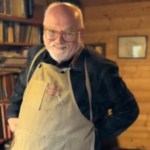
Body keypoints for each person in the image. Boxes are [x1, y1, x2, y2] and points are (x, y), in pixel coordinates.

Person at [7, 2, 139, 150]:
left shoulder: (99, 68)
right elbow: (20, 90)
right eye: (52, 31)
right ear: (44, 31)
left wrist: (95, 137)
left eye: (68, 33)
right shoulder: (36, 56)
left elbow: (128, 110)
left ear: (80, 33)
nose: (58, 40)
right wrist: (12, 114)